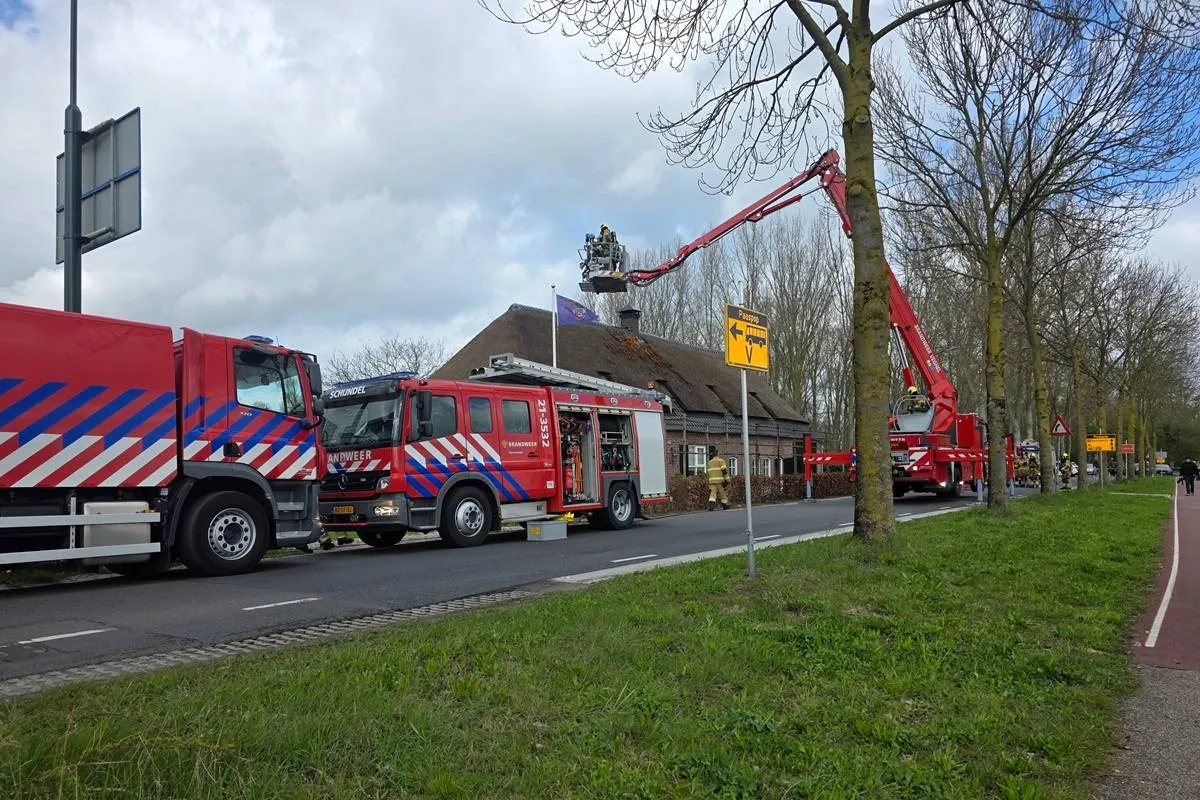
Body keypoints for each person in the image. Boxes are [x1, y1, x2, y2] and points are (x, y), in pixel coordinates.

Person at [706, 446, 730, 511]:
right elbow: (724, 471)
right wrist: (727, 480)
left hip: (711, 481)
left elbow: (708, 472)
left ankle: (711, 505)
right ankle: (725, 505)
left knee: (713, 493)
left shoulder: (709, 462)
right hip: (720, 481)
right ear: (718, 454)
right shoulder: (721, 461)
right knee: (722, 493)